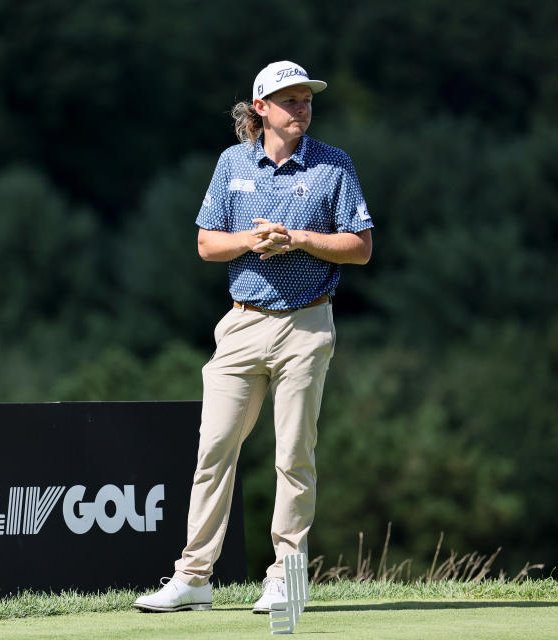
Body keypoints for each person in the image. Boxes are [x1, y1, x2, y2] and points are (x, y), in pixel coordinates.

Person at [134, 61, 373, 613]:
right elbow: (206, 244)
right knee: (214, 449)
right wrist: (251, 239)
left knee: (294, 453)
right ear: (261, 109)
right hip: (241, 325)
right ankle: (193, 576)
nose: (302, 109)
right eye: (290, 101)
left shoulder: (334, 165)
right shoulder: (231, 163)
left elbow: (360, 246)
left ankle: (286, 578)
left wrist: (297, 239)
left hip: (307, 323)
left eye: (307, 100)